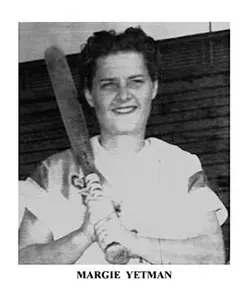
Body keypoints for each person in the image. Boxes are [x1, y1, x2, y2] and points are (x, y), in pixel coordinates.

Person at [19, 27, 228, 264]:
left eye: (136, 82)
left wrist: (130, 242)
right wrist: (84, 235)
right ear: (89, 94)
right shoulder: (53, 172)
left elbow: (213, 256)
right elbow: (19, 265)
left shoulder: (181, 165)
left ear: (154, 88)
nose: (123, 95)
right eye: (109, 84)